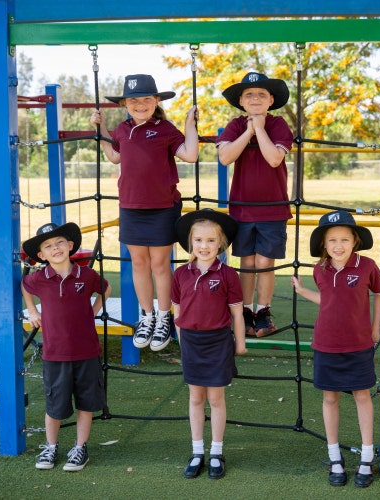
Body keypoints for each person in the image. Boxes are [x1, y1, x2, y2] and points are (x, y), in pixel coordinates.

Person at [90, 74, 198, 352]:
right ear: (125, 103)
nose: (140, 105)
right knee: (138, 263)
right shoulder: (122, 129)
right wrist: (101, 132)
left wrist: (189, 125)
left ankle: (164, 317)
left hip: (162, 207)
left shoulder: (165, 129)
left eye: (146, 99)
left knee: (160, 264)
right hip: (130, 206)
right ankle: (147, 317)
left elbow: (190, 155)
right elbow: (115, 157)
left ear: (157, 101)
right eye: (134, 100)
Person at [290, 210, 380, 488]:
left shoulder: (366, 266)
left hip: (358, 344)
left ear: (355, 241)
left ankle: (367, 457)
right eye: (332, 240)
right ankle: (334, 458)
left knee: (361, 395)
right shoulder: (319, 269)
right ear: (324, 244)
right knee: (330, 398)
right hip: (326, 344)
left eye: (344, 239)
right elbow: (330, 301)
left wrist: (375, 328)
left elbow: (379, 293)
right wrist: (303, 291)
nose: (338, 245)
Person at [21, 222, 112, 472]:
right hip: (55, 354)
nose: (56, 248)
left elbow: (105, 288)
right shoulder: (39, 278)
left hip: (86, 352)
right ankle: (51, 446)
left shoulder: (86, 275)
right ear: (42, 255)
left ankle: (80, 447)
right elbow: (25, 286)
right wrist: (32, 310)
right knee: (55, 405)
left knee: (86, 403)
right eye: (48, 246)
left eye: (60, 242)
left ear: (70, 245)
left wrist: (91, 313)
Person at [171, 209, 247, 480]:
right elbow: (177, 313)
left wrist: (240, 344)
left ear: (221, 244)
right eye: (199, 240)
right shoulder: (180, 274)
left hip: (218, 342)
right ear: (191, 242)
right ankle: (197, 452)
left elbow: (237, 313)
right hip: (191, 342)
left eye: (211, 241)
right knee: (195, 397)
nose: (204, 246)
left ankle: (216, 451)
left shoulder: (228, 274)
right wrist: (182, 344)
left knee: (215, 398)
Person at [217, 72, 293, 338]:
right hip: (242, 208)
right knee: (246, 262)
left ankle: (263, 311)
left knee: (265, 262)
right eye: (249, 94)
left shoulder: (279, 125)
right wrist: (248, 129)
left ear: (271, 99)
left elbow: (274, 159)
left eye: (262, 94)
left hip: (273, 207)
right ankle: (245, 311)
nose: (255, 98)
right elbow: (225, 157)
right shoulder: (236, 126)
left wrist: (259, 129)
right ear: (241, 101)